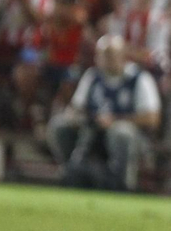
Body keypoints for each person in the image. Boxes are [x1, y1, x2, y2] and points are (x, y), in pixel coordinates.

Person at [47, 35, 161, 191]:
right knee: (59, 125)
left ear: (123, 57)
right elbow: (77, 107)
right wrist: (76, 116)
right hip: (92, 131)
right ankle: (71, 173)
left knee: (121, 133)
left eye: (111, 55)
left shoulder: (139, 79)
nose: (106, 60)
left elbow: (152, 118)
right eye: (102, 55)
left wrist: (115, 120)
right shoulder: (92, 76)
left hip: (131, 137)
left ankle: (122, 184)